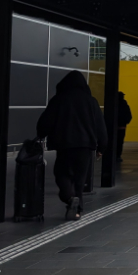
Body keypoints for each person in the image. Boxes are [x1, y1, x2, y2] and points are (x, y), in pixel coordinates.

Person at [36, 70, 107, 220]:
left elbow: (45, 122)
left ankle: (69, 198)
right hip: (85, 147)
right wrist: (102, 147)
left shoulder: (59, 99)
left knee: (61, 174)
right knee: (79, 180)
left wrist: (40, 134)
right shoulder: (91, 102)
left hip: (64, 145)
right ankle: (77, 210)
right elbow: (101, 127)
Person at [116, 91, 133, 163]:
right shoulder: (125, 105)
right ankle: (118, 155)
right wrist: (124, 122)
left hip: (114, 127)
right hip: (122, 127)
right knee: (120, 142)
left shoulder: (114, 105)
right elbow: (129, 116)